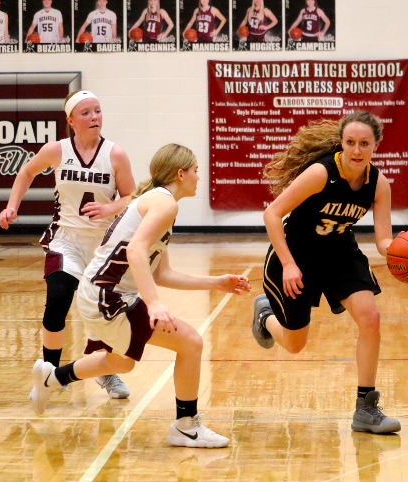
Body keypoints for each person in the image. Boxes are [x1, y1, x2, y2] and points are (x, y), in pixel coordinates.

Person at [30, 143, 251, 448]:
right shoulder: (164, 204)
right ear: (180, 173)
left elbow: (162, 273)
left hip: (101, 293)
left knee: (121, 363)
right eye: (196, 170)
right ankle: (187, 426)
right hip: (106, 295)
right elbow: (135, 250)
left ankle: (52, 378)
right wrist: (154, 303)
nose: (199, 177)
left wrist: (216, 282)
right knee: (190, 343)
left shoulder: (159, 203)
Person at [252, 111, 401, 435]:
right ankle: (265, 316)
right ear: (342, 143)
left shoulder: (378, 183)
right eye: (351, 142)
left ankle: (366, 408)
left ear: (375, 144)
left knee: (370, 318)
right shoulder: (321, 173)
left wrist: (402, 250)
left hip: (339, 254)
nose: (357, 150)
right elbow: (272, 214)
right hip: (296, 255)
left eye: (364, 143)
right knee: (294, 344)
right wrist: (289, 264)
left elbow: (383, 240)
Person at [0, 90, 135, 400]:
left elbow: (130, 196)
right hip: (66, 241)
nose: (94, 118)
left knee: (103, 314)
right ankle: (49, 375)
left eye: (98, 111)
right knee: (57, 302)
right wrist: (12, 206)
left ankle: (105, 371)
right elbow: (27, 171)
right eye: (86, 113)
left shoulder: (115, 154)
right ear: (71, 120)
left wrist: (109, 209)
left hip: (103, 246)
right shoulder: (56, 150)